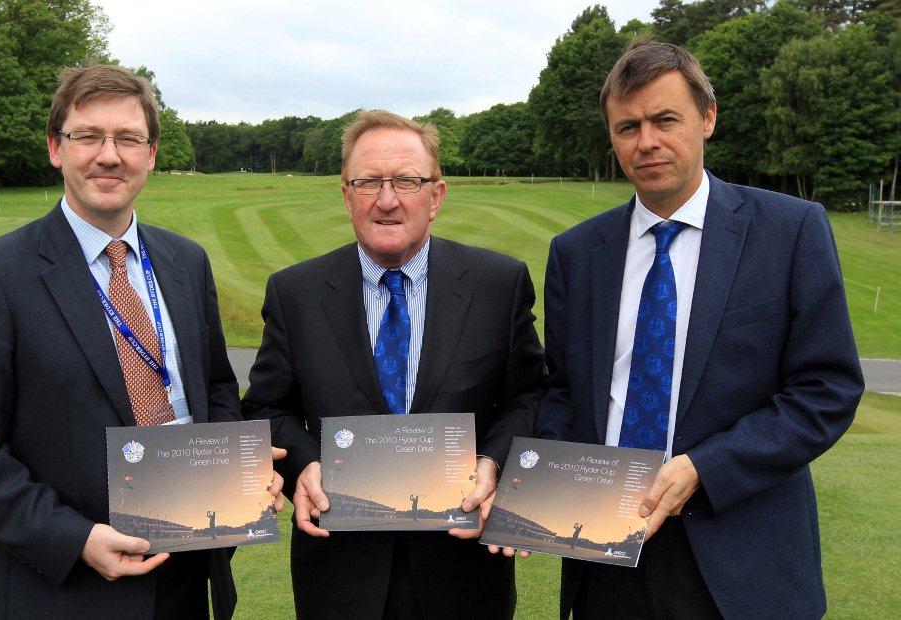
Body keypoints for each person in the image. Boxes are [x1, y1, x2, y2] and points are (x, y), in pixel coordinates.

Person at [0, 64, 282, 619]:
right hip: (66, 591)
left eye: (128, 138)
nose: (108, 155)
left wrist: (239, 468)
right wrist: (72, 538)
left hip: (186, 578)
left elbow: (214, 389)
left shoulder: (185, 262)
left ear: (152, 153)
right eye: (88, 136)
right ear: (55, 148)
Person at [534, 40, 864, 618]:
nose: (647, 142)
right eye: (627, 126)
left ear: (707, 119)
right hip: (604, 554)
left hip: (739, 553)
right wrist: (536, 488)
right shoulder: (577, 252)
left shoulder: (789, 231)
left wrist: (704, 470)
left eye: (666, 120)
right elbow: (561, 392)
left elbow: (826, 390)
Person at [242, 110, 546, 619]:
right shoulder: (296, 293)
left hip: (464, 569)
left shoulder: (498, 284)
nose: (387, 200)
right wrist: (304, 465)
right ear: (346, 194)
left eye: (407, 181)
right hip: (340, 572)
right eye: (368, 182)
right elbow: (265, 407)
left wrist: (493, 462)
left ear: (437, 196)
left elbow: (529, 397)